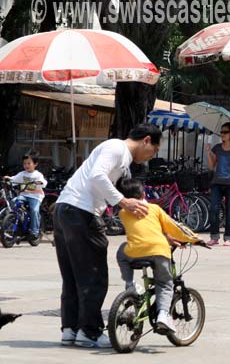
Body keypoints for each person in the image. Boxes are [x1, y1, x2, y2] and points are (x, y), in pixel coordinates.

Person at [54, 124, 161, 348]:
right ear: (146, 140)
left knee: (74, 276)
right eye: (153, 151)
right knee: (94, 276)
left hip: (65, 211)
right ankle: (89, 332)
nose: (151, 156)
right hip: (82, 213)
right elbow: (97, 176)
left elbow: (129, 193)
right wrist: (122, 202)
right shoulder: (116, 148)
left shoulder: (124, 161)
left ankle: (71, 329)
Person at [115, 178, 201, 333]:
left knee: (121, 251)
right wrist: (195, 239)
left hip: (135, 253)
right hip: (159, 251)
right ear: (143, 194)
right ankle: (163, 314)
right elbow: (175, 227)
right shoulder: (155, 209)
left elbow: (145, 228)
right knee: (165, 284)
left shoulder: (123, 212)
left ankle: (129, 284)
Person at [206, 122, 230, 246]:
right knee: (214, 209)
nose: (222, 134)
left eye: (225, 132)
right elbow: (212, 167)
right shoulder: (217, 148)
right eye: (221, 132)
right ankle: (214, 236)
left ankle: (228, 237)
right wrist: (208, 153)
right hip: (217, 183)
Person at [5, 152, 47, 241]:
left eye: (29, 163)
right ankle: (18, 220)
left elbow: (43, 182)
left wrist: (40, 183)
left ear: (35, 164)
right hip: (24, 195)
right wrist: (9, 178)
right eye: (24, 163)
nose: (26, 165)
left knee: (34, 210)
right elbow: (14, 179)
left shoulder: (37, 175)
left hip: (35, 196)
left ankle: (34, 232)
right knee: (13, 202)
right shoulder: (22, 174)